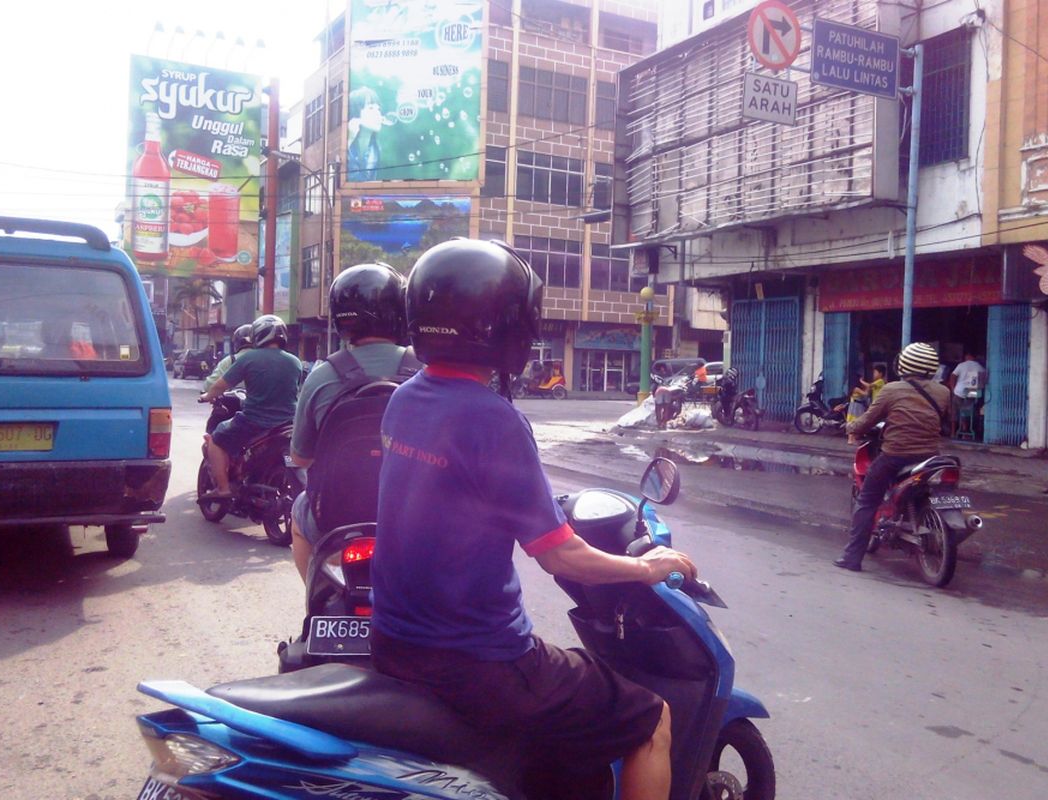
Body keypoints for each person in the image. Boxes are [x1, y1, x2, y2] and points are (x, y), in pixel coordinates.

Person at [368, 238, 696, 799]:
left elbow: (451, 500)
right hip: (479, 660)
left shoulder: (404, 399)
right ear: (506, 326)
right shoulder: (493, 420)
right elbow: (560, 555)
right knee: (651, 718)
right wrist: (649, 568)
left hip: (395, 641)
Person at [289, 263, 413, 582]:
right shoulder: (425, 371)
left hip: (336, 518)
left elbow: (301, 457)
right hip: (417, 517)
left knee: (299, 518)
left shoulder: (321, 376)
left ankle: (317, 602)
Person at [834, 342, 951, 572]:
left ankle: (852, 558)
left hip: (896, 455)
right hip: (930, 456)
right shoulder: (943, 391)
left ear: (904, 365)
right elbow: (945, 423)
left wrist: (849, 427)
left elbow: (868, 420)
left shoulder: (892, 389)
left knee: (866, 501)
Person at [199, 314, 302, 499]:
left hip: (254, 421)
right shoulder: (295, 362)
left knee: (215, 439)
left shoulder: (249, 358)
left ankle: (223, 488)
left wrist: (207, 396)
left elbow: (221, 385)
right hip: (287, 424)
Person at [203, 324, 253, 393]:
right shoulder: (266, 360)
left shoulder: (230, 360)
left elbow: (209, 385)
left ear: (236, 343)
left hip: (233, 402)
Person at [948, 352, 986, 435]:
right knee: (968, 412)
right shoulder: (980, 367)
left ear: (967, 356)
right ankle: (965, 431)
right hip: (972, 393)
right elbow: (983, 383)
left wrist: (953, 388)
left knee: (955, 412)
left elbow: (953, 376)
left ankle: (953, 432)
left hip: (958, 392)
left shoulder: (961, 365)